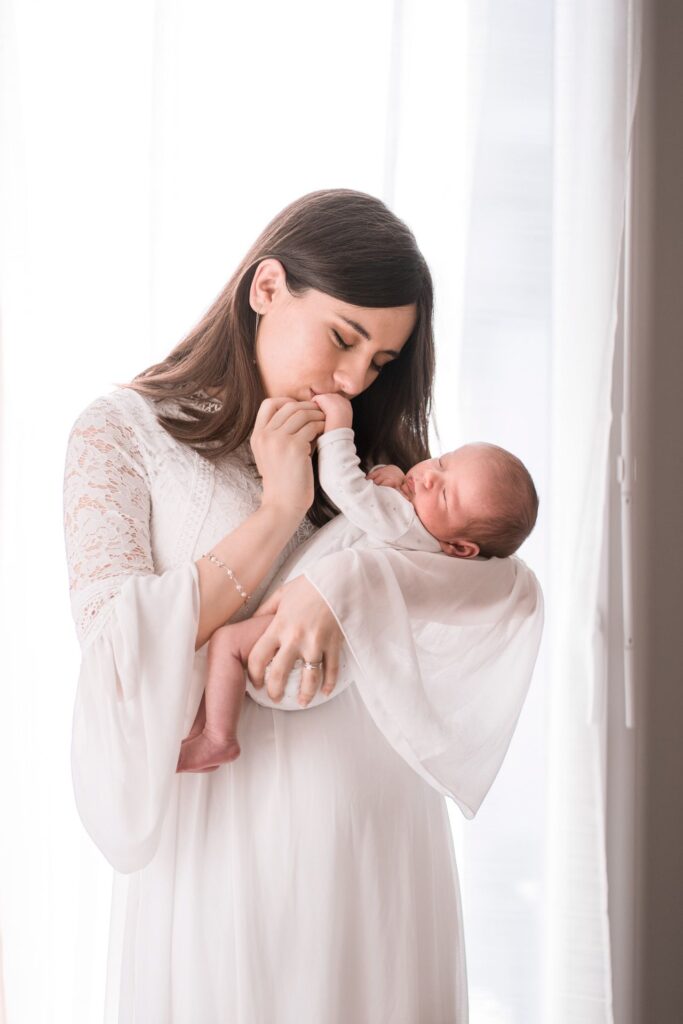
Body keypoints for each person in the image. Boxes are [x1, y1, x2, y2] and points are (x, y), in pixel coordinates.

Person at [62, 188, 543, 1023]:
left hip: (371, 838)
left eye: (382, 362)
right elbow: (113, 654)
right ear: (266, 288)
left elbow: (507, 589)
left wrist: (343, 586)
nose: (355, 378)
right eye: (344, 339)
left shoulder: (381, 466)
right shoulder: (121, 434)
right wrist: (279, 510)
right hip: (219, 848)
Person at [176, 390, 539, 773]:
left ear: (461, 549)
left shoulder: (402, 520)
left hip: (293, 658)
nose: (430, 476)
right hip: (320, 671)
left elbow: (344, 484)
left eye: (446, 494)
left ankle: (217, 736)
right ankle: (204, 731)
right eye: (444, 463)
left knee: (227, 643)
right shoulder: (424, 542)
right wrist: (398, 480)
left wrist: (339, 423)